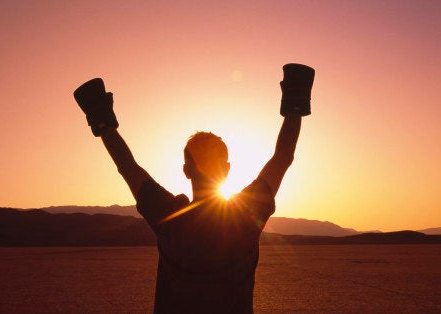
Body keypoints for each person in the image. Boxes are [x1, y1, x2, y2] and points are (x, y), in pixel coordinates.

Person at [73, 64, 314, 313]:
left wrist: (103, 122)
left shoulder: (169, 215)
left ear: (186, 170)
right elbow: (283, 157)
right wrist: (294, 105)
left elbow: (128, 167)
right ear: (227, 169)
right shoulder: (245, 214)